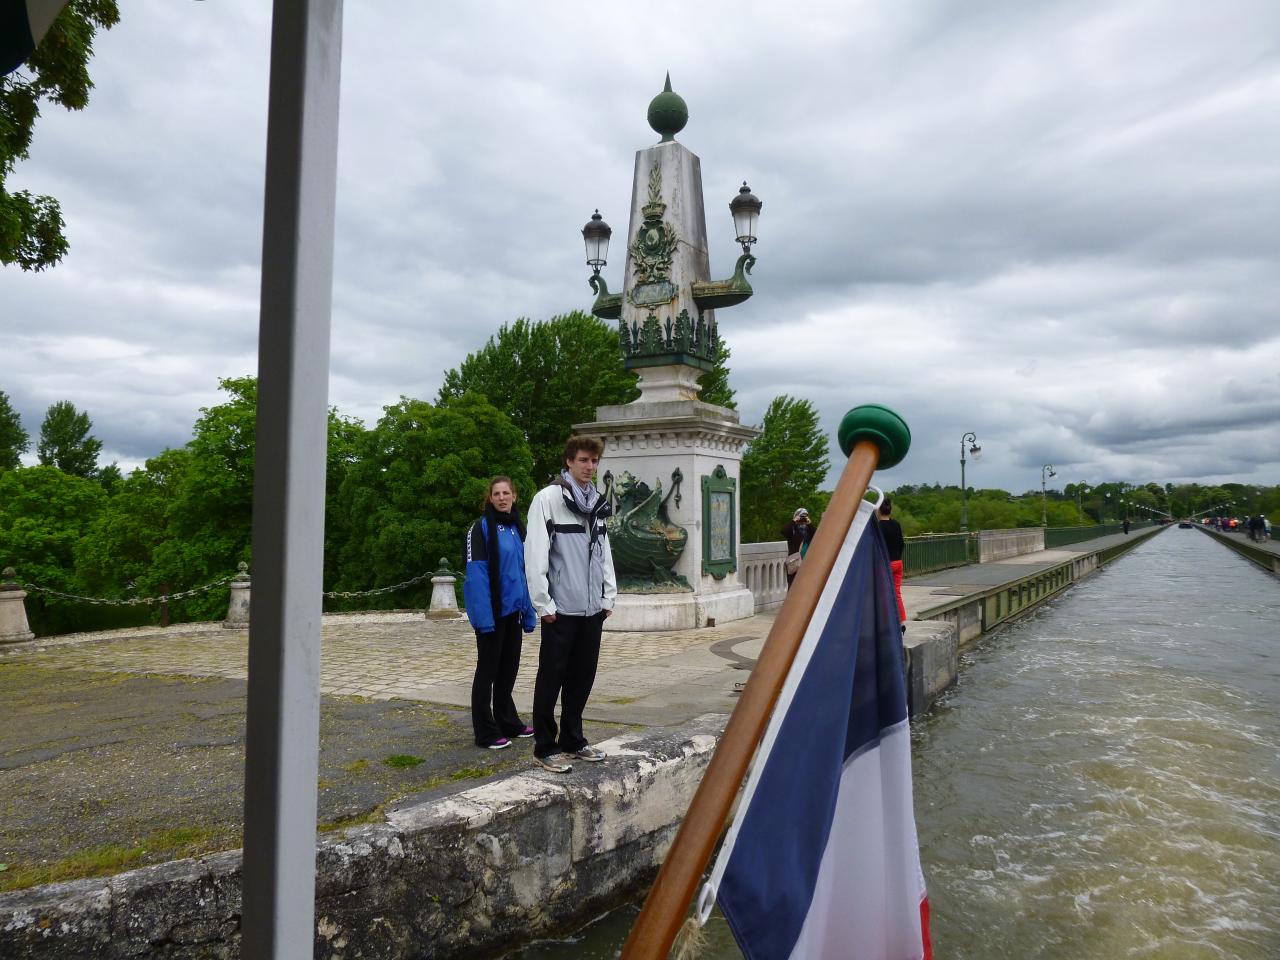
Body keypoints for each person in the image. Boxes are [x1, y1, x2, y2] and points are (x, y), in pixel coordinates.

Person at [524, 436, 617, 774]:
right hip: (560, 608)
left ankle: (574, 740)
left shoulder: (597, 502)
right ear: (568, 461)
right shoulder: (548, 500)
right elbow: (535, 555)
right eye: (583, 461)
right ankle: (545, 746)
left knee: (582, 676)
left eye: (594, 461)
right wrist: (543, 603)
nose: (590, 467)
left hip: (593, 609)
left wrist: (609, 596)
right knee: (551, 676)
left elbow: (604, 551)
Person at [463, 477, 538, 750]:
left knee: (508, 671)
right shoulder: (480, 529)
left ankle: (508, 722)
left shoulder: (518, 528)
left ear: (514, 496)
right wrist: (484, 619)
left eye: (506, 493)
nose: (502, 497)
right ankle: (485, 732)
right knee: (487, 672)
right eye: (497, 493)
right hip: (492, 615)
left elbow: (523, 573)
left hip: (513, 613)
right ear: (490, 498)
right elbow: (476, 576)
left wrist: (528, 611)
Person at [877, 497, 907, 633]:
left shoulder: (877, 527)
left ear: (878, 510)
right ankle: (901, 622)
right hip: (898, 563)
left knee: (882, 593)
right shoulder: (896, 524)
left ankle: (885, 623)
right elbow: (901, 544)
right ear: (890, 510)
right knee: (896, 593)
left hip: (884, 564)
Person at [781, 508, 816, 588]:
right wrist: (794, 521)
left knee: (805, 586)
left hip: (806, 562)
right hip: (794, 563)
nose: (803, 519)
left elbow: (817, 535)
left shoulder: (808, 530)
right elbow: (784, 531)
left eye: (805, 516)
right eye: (801, 516)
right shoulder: (793, 529)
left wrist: (809, 523)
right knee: (793, 586)